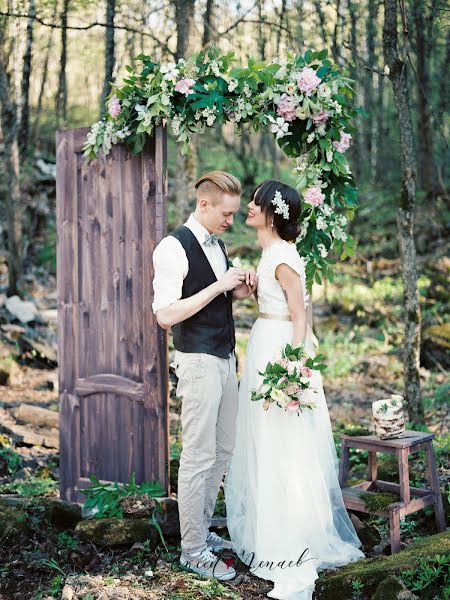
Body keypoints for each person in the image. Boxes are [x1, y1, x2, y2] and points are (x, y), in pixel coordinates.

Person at [224, 179, 365, 600]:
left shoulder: (283, 257)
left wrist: (291, 367)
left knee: (282, 445)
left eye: (256, 203)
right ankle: (272, 529)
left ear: (272, 213)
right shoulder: (271, 254)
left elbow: (300, 317)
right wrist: (251, 292)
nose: (249, 207)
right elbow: (276, 304)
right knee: (265, 443)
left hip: (281, 350)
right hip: (266, 339)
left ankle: (288, 540)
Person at [152, 170, 256, 581]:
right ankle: (191, 549)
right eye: (226, 214)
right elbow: (165, 315)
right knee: (197, 456)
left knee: (224, 449)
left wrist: (239, 288)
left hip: (226, 359)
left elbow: (220, 296)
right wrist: (218, 286)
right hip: (196, 362)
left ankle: (201, 530)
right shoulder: (171, 248)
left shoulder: (219, 243)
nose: (230, 221)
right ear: (204, 204)